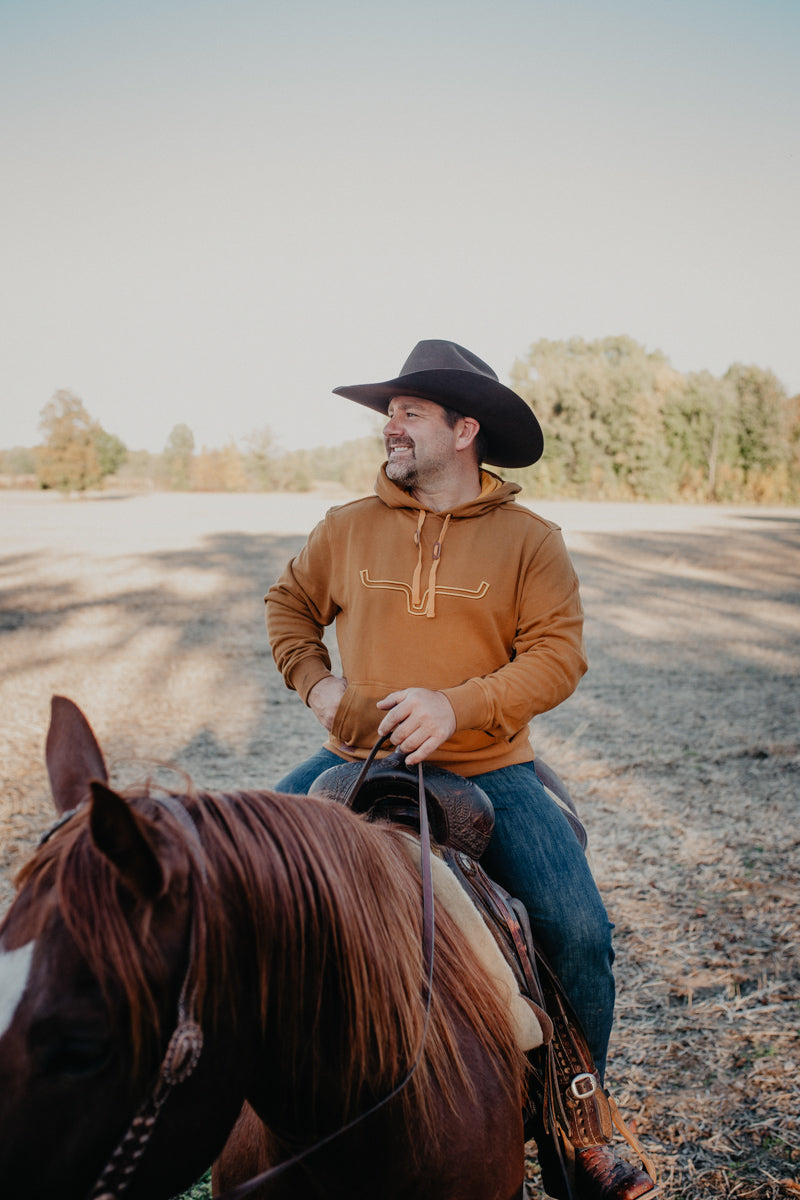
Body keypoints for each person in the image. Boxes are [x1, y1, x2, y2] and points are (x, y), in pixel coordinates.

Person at [264, 339, 656, 1200]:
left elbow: (558, 657)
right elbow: (289, 605)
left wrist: (459, 707)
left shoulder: (529, 541)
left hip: (491, 768)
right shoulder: (346, 525)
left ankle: (573, 1123)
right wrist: (317, 682)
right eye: (389, 412)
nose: (390, 426)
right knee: (236, 890)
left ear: (464, 429)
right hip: (350, 764)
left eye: (409, 412)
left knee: (580, 937)